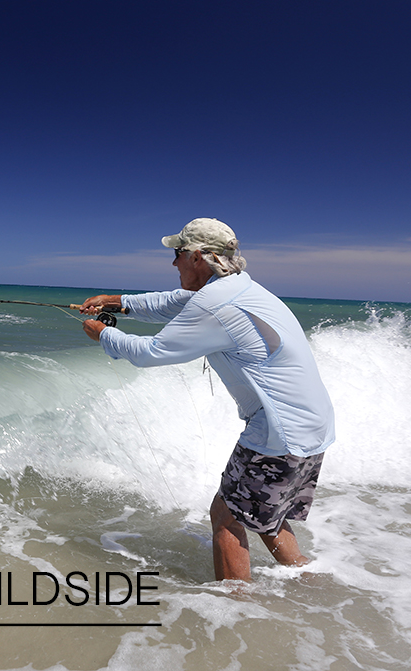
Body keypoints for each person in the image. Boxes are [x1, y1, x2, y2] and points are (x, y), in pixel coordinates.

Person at [79, 218, 335, 579]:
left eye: (178, 254)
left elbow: (151, 353)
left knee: (227, 514)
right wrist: (116, 302)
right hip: (312, 425)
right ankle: (308, 579)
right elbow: (174, 303)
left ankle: (234, 609)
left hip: (279, 430)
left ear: (198, 257)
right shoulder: (240, 288)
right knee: (264, 514)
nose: (173, 263)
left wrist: (102, 333)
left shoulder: (216, 303)